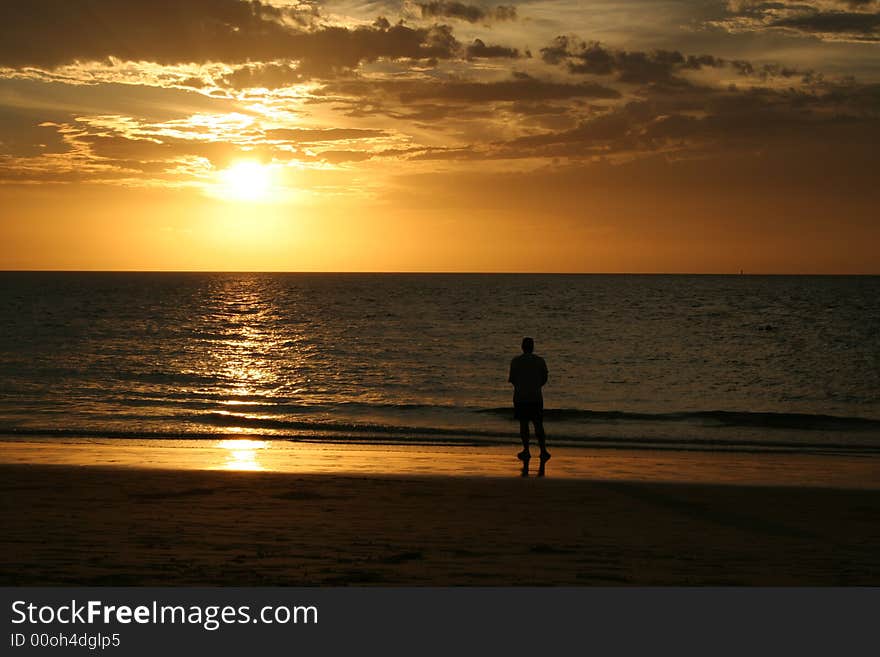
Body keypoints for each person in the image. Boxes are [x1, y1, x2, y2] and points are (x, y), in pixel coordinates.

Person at [508, 337, 549, 462]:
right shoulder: (540, 361)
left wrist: (521, 387)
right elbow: (544, 379)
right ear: (533, 347)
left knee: (524, 424)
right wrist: (536, 386)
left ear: (522, 347)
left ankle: (526, 450)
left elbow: (512, 379)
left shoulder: (515, 361)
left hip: (521, 397)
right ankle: (543, 451)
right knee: (538, 424)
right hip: (535, 396)